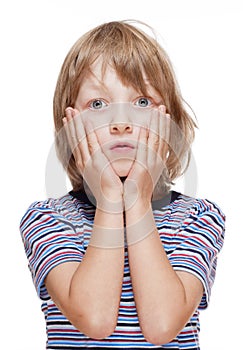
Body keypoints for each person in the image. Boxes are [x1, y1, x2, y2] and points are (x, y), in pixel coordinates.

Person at [20, 20, 225, 349]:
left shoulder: (198, 217)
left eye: (142, 103)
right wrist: (111, 199)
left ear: (167, 124)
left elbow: (161, 326)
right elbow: (96, 319)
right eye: (98, 105)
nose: (120, 123)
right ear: (70, 127)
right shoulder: (48, 219)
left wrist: (137, 201)